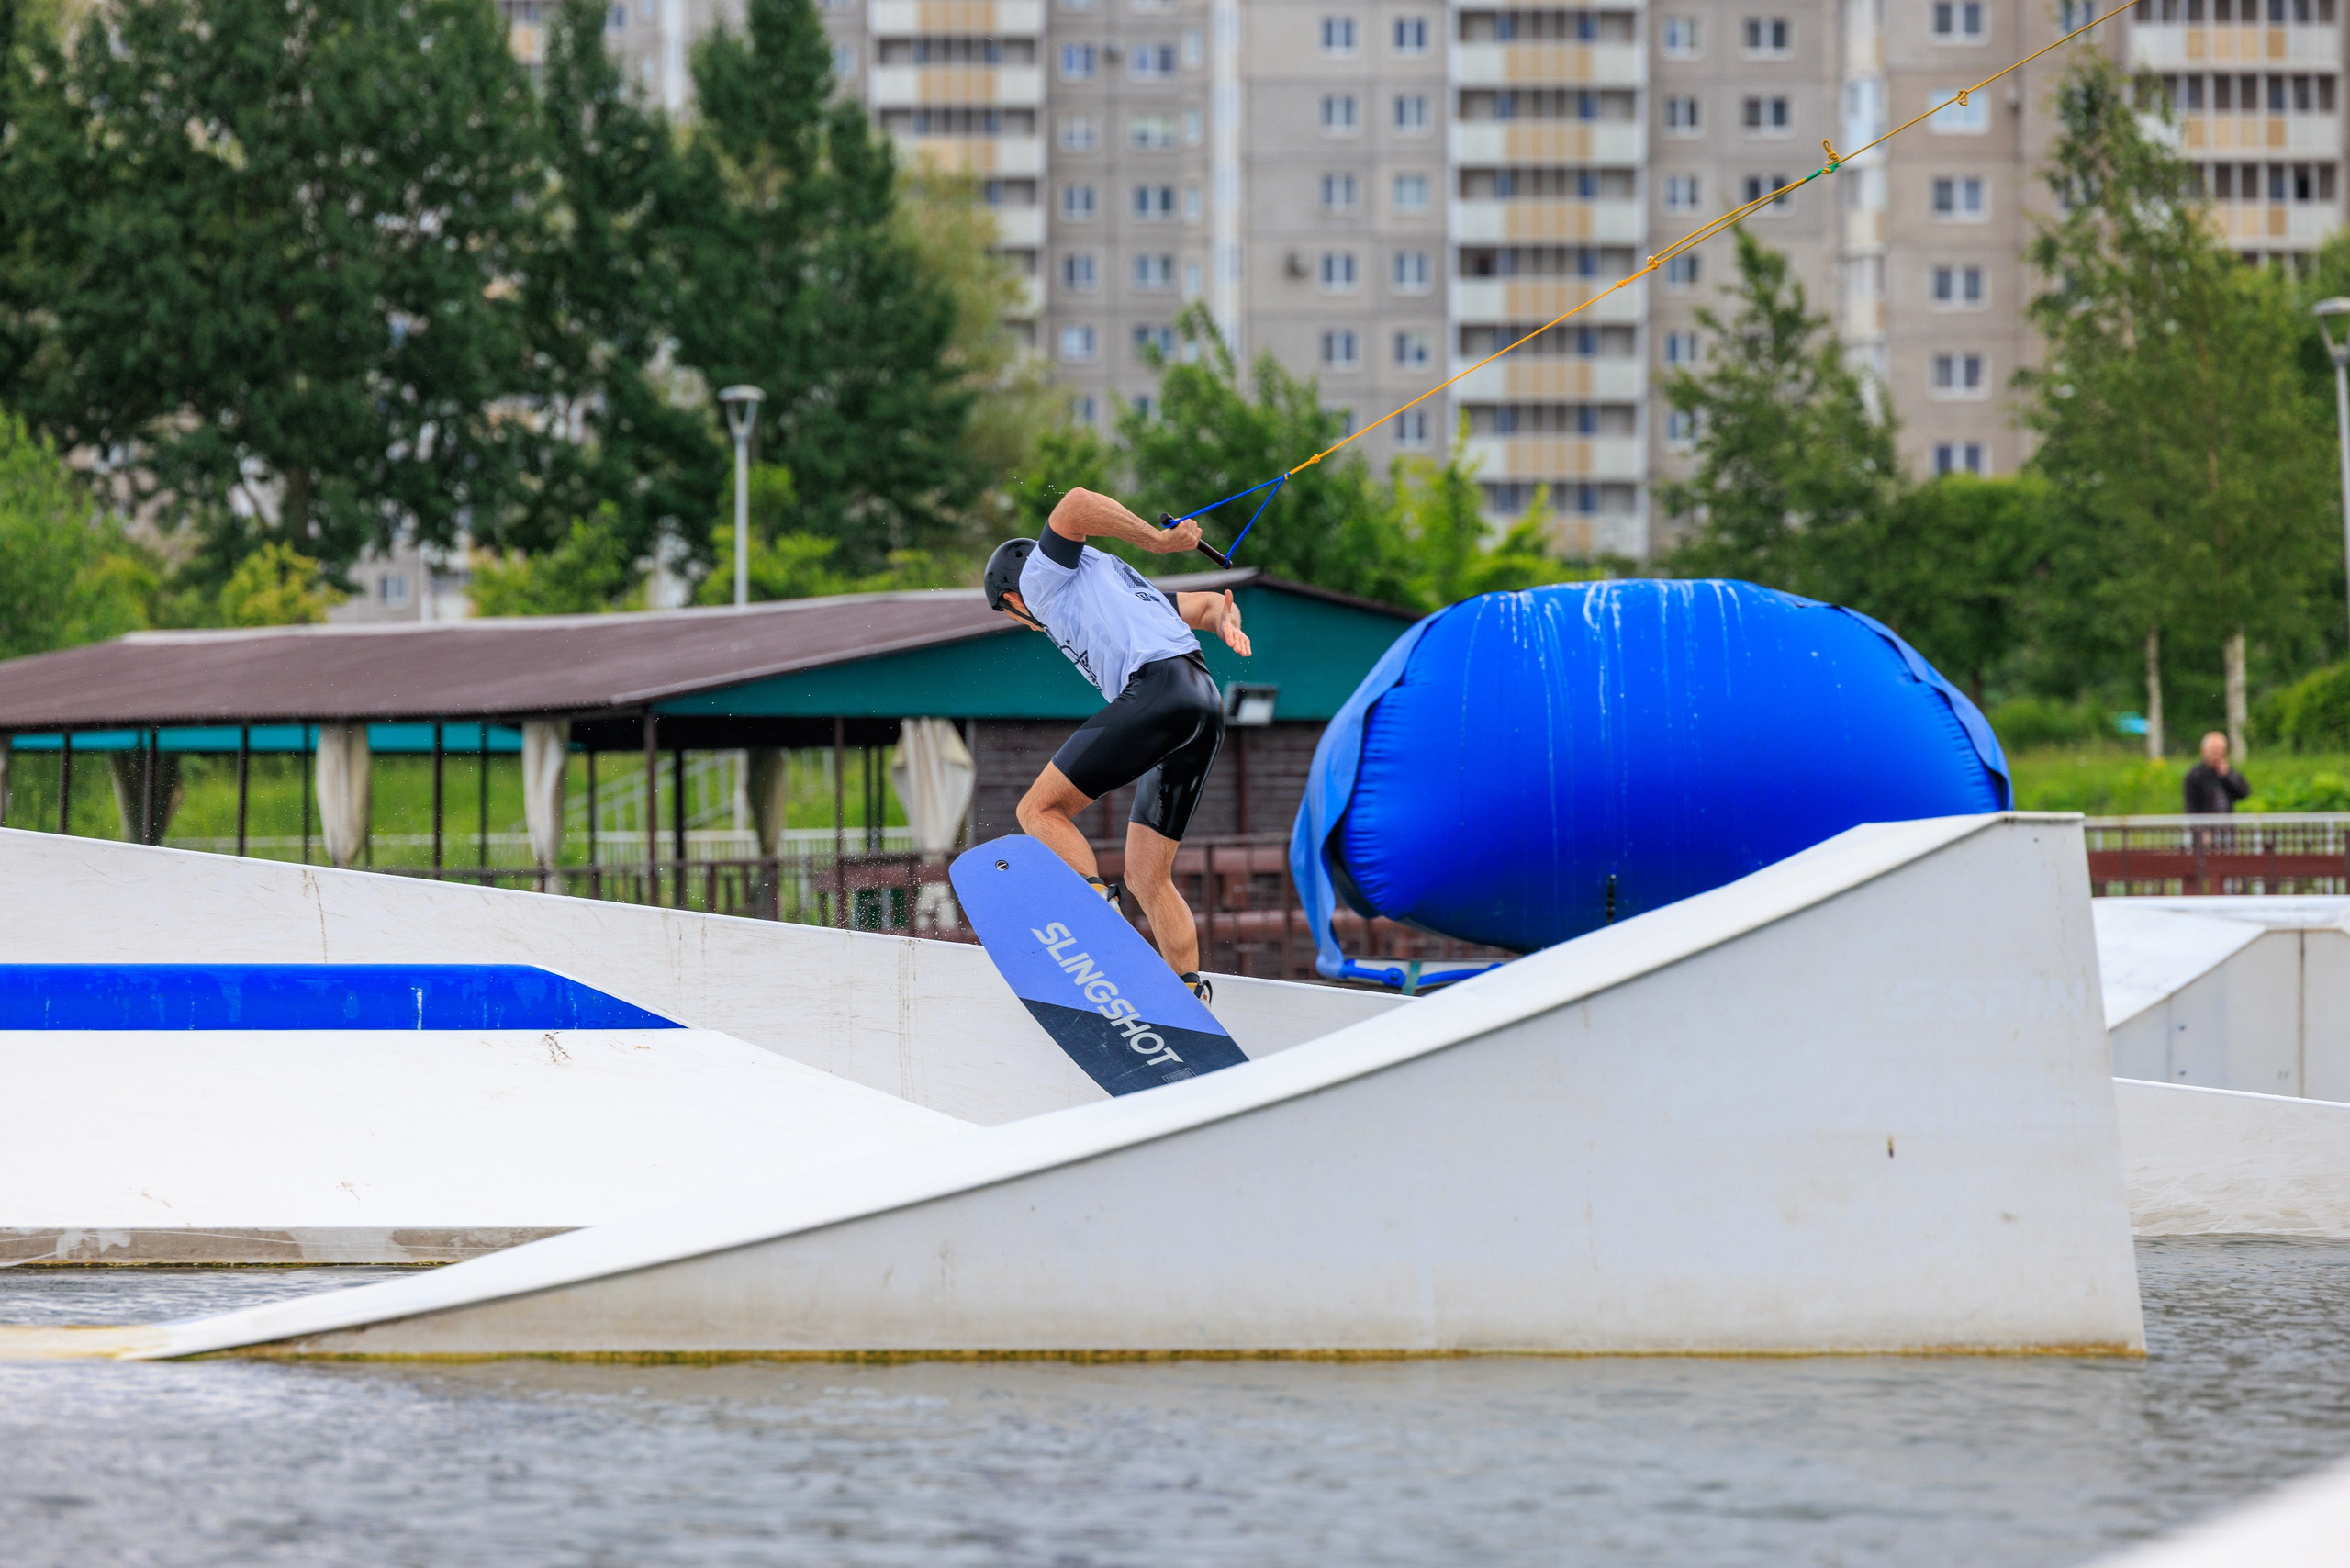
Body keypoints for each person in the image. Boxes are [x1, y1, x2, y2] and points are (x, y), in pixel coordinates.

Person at [983, 489, 1253, 1001]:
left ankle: (1096, 913)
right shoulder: (1114, 584)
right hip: (1204, 704)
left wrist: (1159, 541)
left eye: (1009, 614)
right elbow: (1204, 605)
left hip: (1160, 692)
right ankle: (1190, 994)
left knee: (1039, 810)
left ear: (1011, 599)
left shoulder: (1038, 581)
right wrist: (1222, 618)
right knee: (1146, 875)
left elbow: (1076, 504)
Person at [2182, 731, 2250, 815]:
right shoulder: (2195, 775)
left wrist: (2228, 775)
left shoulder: (2228, 773)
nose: (2217, 756)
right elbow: (2191, 806)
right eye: (2214, 752)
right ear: (2204, 751)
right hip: (2204, 823)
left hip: (2226, 824)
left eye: (2220, 752)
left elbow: (2243, 793)